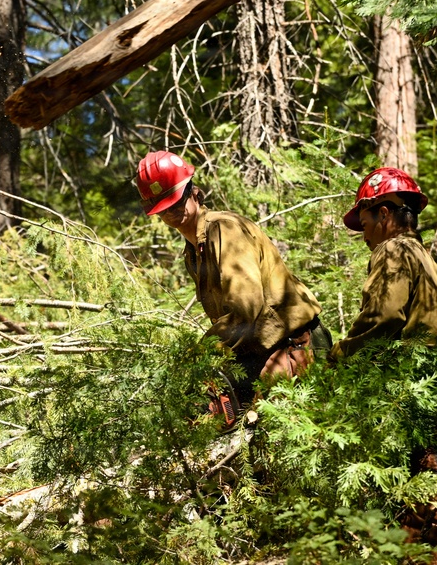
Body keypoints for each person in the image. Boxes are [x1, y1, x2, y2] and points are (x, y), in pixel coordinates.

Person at [332, 167, 437, 564]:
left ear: (385, 213)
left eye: (364, 221)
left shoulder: (393, 251)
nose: (363, 235)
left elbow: (383, 319)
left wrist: (339, 356)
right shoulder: (425, 258)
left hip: (426, 396)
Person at [135, 150, 330, 419]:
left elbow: (247, 308)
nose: (172, 211)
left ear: (192, 191)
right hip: (260, 349)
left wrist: (201, 352)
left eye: (176, 200)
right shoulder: (193, 251)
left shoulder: (223, 230)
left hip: (296, 343)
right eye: (164, 207)